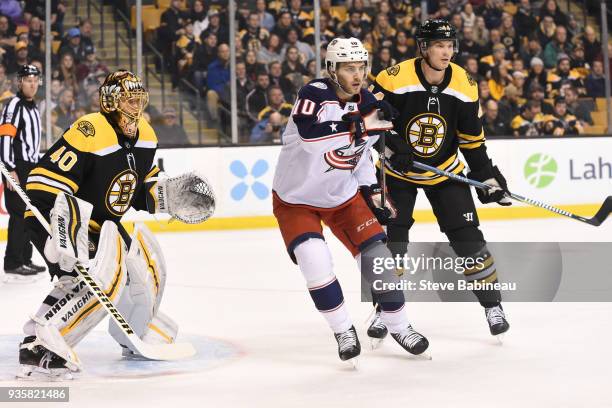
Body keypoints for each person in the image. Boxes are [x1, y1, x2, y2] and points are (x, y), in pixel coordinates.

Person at [17, 70, 212, 379]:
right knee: (85, 278)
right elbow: (42, 183)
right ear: (110, 102)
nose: (135, 108)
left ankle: (134, 330)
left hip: (102, 223)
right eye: (128, 101)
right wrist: (65, 231)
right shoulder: (89, 130)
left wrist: (164, 196)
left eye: (139, 101)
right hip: (55, 216)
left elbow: (135, 190)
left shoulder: (146, 134)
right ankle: (37, 342)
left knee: (140, 273)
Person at [272, 38, 430, 365]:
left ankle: (399, 325)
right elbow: (312, 138)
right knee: (314, 261)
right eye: (348, 68)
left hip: (343, 197)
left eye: (360, 67)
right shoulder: (313, 94)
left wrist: (381, 180)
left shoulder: (369, 101)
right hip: (296, 199)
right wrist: (360, 126)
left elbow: (362, 155)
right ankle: (343, 330)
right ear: (332, 69)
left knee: (379, 261)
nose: (357, 75)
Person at [370, 20, 511, 344]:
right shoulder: (394, 78)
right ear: (424, 48)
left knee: (469, 240)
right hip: (398, 173)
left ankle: (493, 306)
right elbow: (373, 121)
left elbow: (471, 140)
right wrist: (392, 144)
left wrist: (487, 175)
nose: (446, 52)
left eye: (449, 45)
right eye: (438, 45)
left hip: (444, 171)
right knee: (393, 243)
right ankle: (383, 309)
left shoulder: (465, 83)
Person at [0, 65, 46, 279]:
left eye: (35, 80)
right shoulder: (15, 106)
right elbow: (6, 138)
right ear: (19, 82)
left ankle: (25, 258)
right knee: (19, 213)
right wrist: (9, 169)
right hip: (16, 166)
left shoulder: (32, 107)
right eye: (28, 80)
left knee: (29, 214)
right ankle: (13, 262)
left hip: (30, 167)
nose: (32, 84)